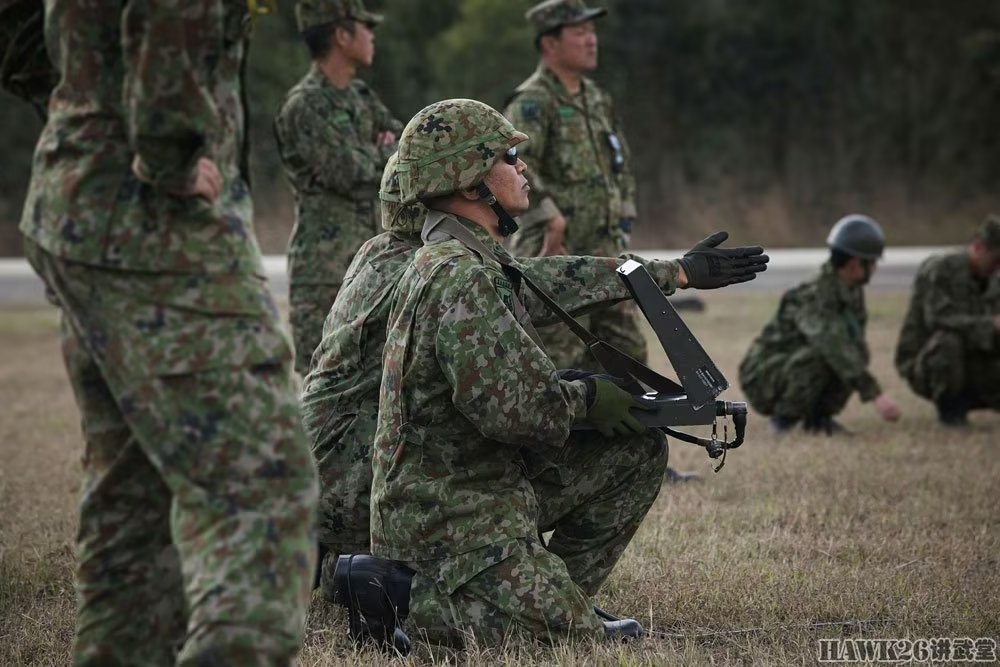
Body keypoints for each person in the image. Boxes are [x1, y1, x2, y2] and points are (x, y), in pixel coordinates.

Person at [328, 99, 769, 652]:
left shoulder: (457, 261)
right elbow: (517, 413)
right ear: (470, 183)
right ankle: (399, 595)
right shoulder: (457, 275)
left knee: (632, 451)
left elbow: (537, 293)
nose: (524, 169)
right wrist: (588, 397)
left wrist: (669, 273)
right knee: (567, 642)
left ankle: (536, 594)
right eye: (510, 157)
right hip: (448, 510)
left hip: (468, 487)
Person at [18, 2, 318, 664]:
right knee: (261, 492)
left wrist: (87, 102)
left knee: (136, 504)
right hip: (154, 224)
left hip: (80, 202)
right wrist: (168, 147)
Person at [504, 0, 646, 372]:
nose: (591, 41)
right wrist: (550, 216)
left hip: (606, 251)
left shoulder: (597, 99)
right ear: (550, 44)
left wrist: (624, 216)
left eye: (592, 31)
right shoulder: (533, 101)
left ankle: (633, 431)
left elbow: (621, 162)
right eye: (580, 33)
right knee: (562, 359)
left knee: (629, 357)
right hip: (558, 253)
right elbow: (514, 164)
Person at [275, 0, 402, 374]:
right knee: (328, 384)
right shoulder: (305, 105)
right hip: (326, 272)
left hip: (374, 266)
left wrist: (385, 151)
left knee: (380, 382)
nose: (372, 35)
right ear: (341, 35)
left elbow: (408, 149)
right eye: (366, 27)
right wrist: (381, 154)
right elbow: (354, 173)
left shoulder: (361, 97)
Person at [739, 215, 902, 434]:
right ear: (854, 265)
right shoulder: (816, 293)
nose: (875, 268)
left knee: (856, 352)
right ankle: (784, 421)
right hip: (764, 377)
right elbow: (832, 345)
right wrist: (876, 395)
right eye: (872, 262)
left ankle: (818, 419)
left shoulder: (850, 289)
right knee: (827, 355)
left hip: (793, 365)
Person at [895, 215, 1000, 425]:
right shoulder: (941, 270)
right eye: (996, 259)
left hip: (973, 361)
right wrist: (991, 325)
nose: (998, 267)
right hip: (928, 362)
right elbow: (938, 319)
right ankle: (950, 411)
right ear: (978, 247)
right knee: (948, 341)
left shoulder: (992, 282)